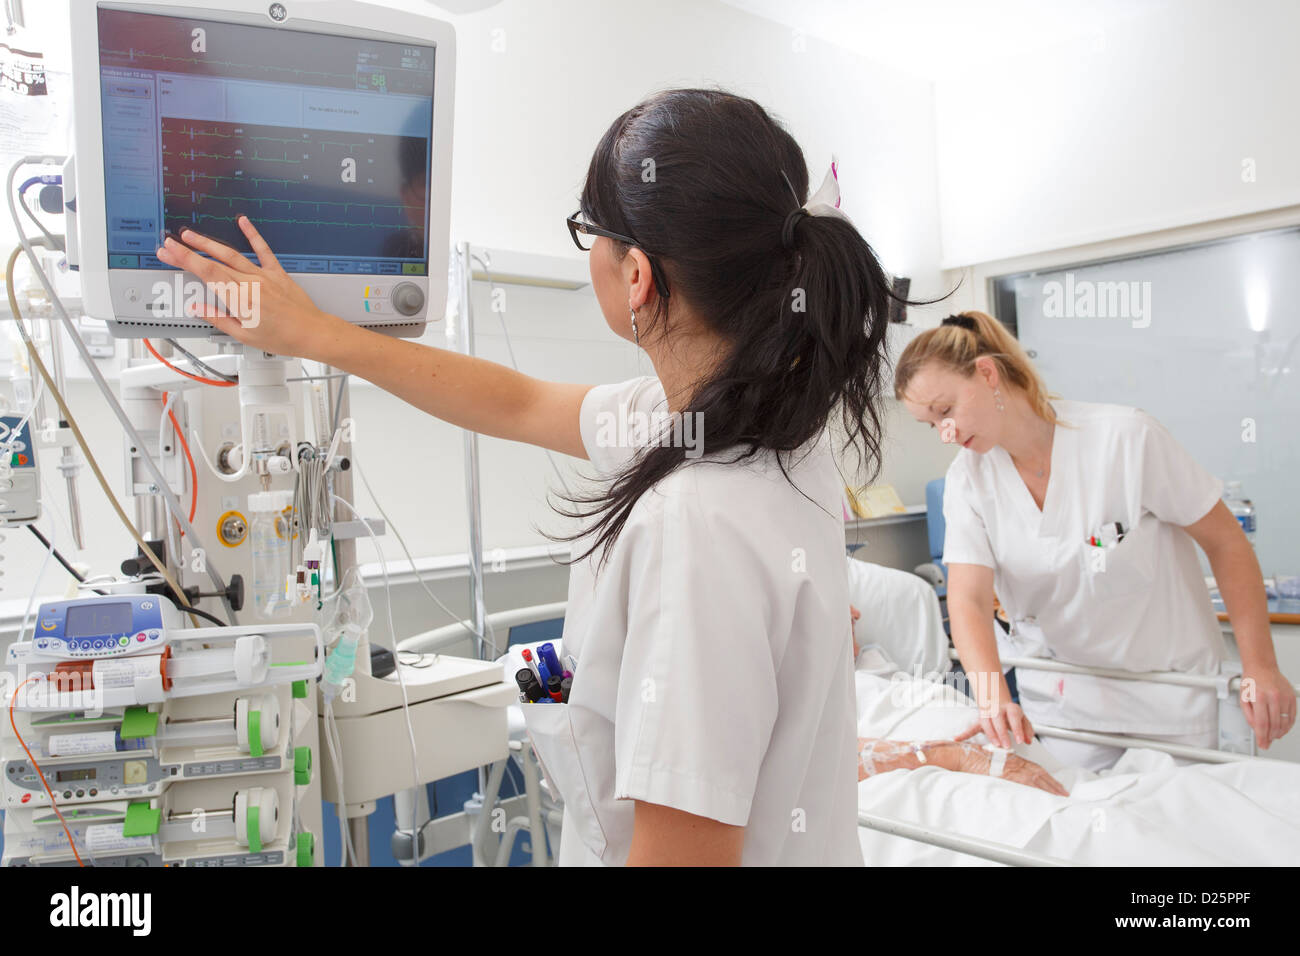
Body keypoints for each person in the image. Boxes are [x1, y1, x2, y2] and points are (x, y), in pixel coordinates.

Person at [155, 88, 899, 865]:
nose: (588, 254)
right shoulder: (756, 429)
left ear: (636, 274)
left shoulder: (696, 524)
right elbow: (515, 401)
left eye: (589, 232)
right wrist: (314, 333)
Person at [892, 310, 1295, 771]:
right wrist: (993, 699)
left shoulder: (1125, 440)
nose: (946, 433)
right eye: (931, 424)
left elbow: (1227, 543)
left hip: (1171, 706)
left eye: (945, 411)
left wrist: (1260, 665)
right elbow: (966, 599)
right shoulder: (969, 479)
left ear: (987, 373)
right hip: (1066, 709)